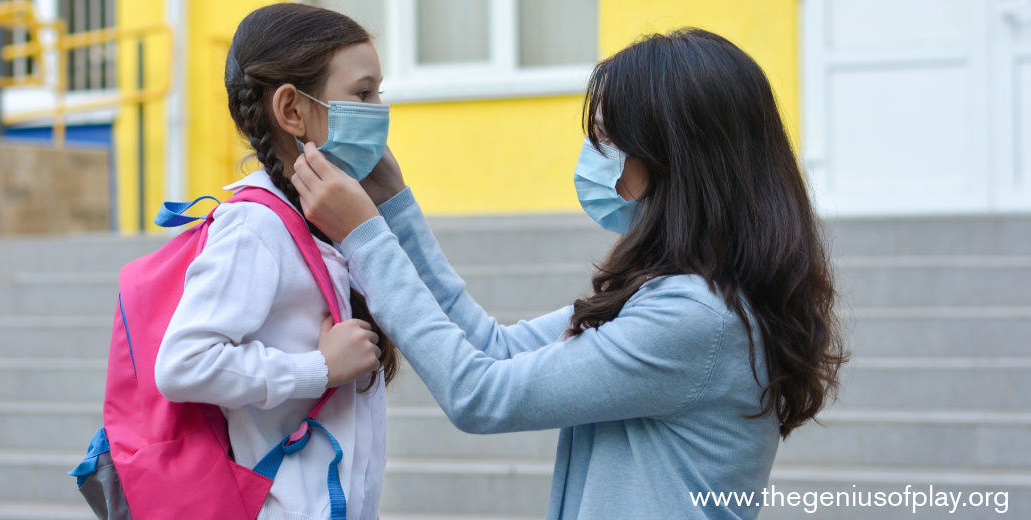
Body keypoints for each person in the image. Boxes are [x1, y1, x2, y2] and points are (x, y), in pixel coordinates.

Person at [289, 28, 848, 519]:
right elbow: (494, 348)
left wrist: (364, 236)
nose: (593, 153)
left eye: (606, 136)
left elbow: (481, 394)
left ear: (670, 153)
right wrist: (394, 207)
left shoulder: (695, 317)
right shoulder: (673, 293)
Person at [153, 4, 397, 520]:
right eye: (363, 93)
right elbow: (183, 364)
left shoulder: (317, 219)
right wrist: (319, 368)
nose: (380, 108)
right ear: (291, 110)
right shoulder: (255, 228)